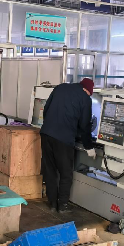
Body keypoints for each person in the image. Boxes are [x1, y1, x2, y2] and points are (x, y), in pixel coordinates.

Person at [40, 78, 96, 213]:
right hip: (63, 138)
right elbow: (85, 125)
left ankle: (53, 203)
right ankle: (63, 205)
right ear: (87, 90)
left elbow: (46, 110)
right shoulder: (85, 98)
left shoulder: (60, 87)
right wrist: (89, 146)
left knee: (50, 170)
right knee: (66, 173)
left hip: (46, 134)